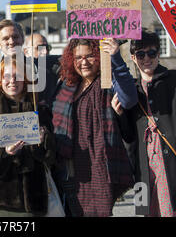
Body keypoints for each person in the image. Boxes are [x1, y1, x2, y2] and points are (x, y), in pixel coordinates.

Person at [112, 30, 176, 217]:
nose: (147, 58)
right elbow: (128, 135)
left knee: (171, 210)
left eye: (151, 53)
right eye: (141, 54)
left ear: (158, 54)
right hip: (143, 163)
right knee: (146, 210)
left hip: (172, 159)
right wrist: (119, 113)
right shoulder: (131, 90)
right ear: (134, 58)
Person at [52, 38, 136, 217]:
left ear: (99, 57)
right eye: (78, 57)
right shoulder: (66, 85)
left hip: (101, 164)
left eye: (89, 56)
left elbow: (129, 99)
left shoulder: (108, 81)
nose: (84, 62)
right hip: (71, 165)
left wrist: (115, 57)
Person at [0, 56, 56, 216]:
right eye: (6, 76)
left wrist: (43, 140)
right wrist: (4, 152)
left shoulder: (38, 109)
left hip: (35, 197)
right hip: (2, 198)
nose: (12, 81)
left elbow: (51, 155)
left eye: (17, 76)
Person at [23, 33, 61, 106]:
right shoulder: (19, 70)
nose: (45, 51)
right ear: (26, 51)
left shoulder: (54, 66)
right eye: (39, 47)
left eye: (47, 47)